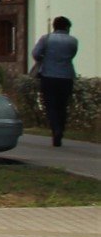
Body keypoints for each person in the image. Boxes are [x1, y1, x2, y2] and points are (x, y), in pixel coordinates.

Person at [31, 16, 79, 148]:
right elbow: (72, 55)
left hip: (48, 76)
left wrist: (45, 57)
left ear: (54, 26)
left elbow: (35, 54)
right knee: (62, 105)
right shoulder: (73, 41)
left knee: (51, 105)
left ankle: (55, 129)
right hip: (66, 76)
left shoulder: (46, 39)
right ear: (67, 27)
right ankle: (61, 129)